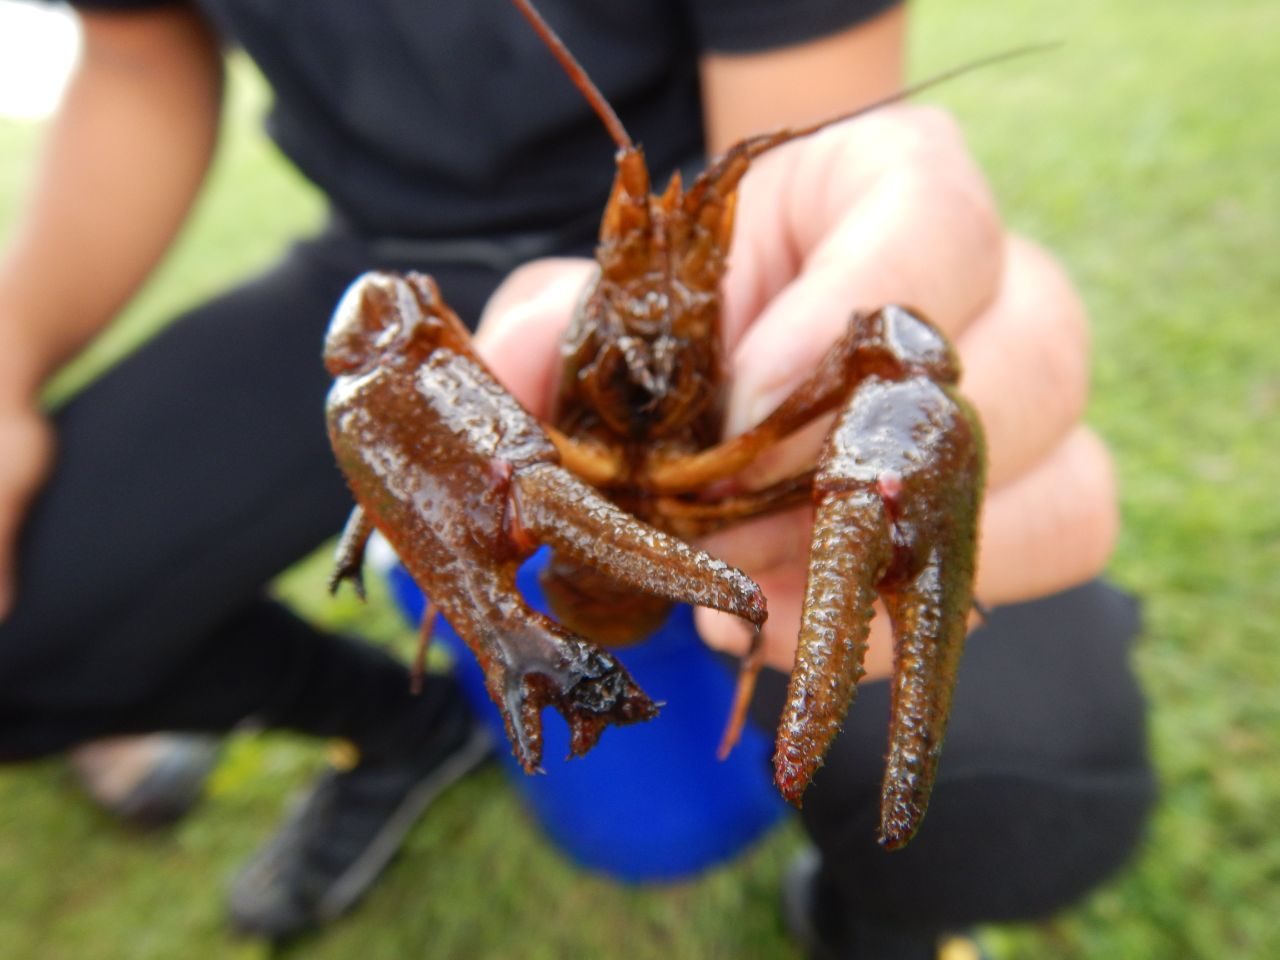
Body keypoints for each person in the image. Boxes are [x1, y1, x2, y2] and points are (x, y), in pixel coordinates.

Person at [0, 0, 1153, 955]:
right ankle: (404, 723)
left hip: (754, 273)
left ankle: (872, 908)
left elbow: (813, 146)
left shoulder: (732, 264)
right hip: (409, 295)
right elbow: (138, 56)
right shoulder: (426, 338)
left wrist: (873, 283)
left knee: (1015, 802)